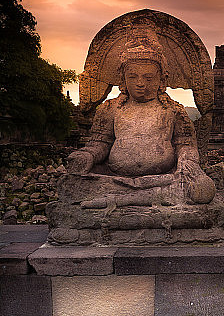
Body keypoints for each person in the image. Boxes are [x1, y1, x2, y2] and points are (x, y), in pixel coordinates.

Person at [67, 42, 215, 205]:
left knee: (200, 189)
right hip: (116, 181)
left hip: (164, 180)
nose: (140, 83)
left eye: (148, 77)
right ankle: (139, 200)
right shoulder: (110, 108)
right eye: (132, 76)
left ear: (161, 79)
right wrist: (88, 155)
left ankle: (117, 202)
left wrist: (188, 162)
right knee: (76, 184)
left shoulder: (173, 110)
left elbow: (185, 144)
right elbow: (100, 142)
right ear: (123, 78)